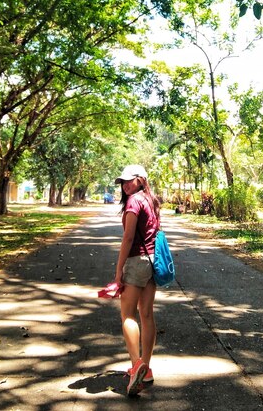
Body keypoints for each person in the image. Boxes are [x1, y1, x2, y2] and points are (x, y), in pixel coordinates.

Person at [113, 164, 160, 396]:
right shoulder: (151, 200)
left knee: (128, 315)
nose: (125, 185)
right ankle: (147, 369)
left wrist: (118, 270)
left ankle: (136, 365)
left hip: (137, 261)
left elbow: (128, 237)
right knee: (147, 314)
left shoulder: (133, 201)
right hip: (152, 261)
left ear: (141, 179)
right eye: (122, 181)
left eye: (129, 180)